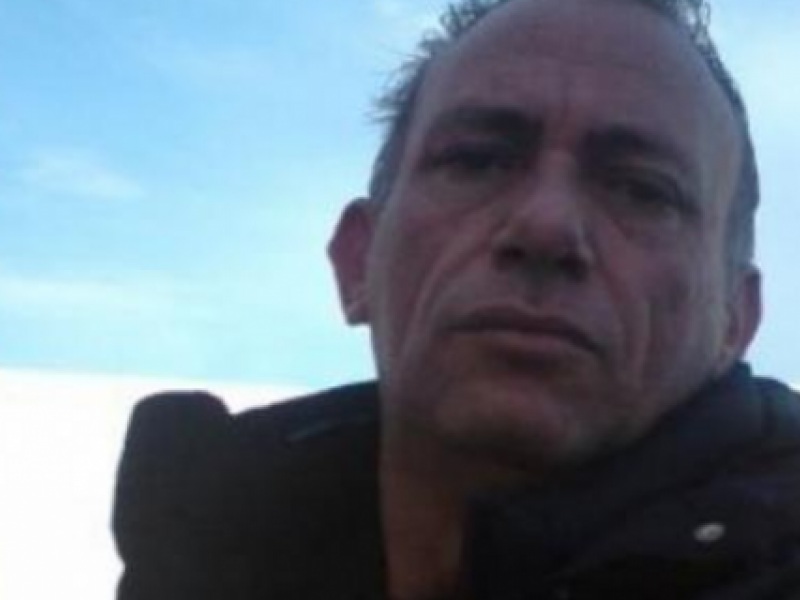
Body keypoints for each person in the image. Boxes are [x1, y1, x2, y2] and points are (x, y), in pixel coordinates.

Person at [113, 0, 800, 598]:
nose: (545, 226)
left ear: (735, 320)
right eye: (475, 160)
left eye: (642, 190)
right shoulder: (198, 557)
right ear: (357, 261)